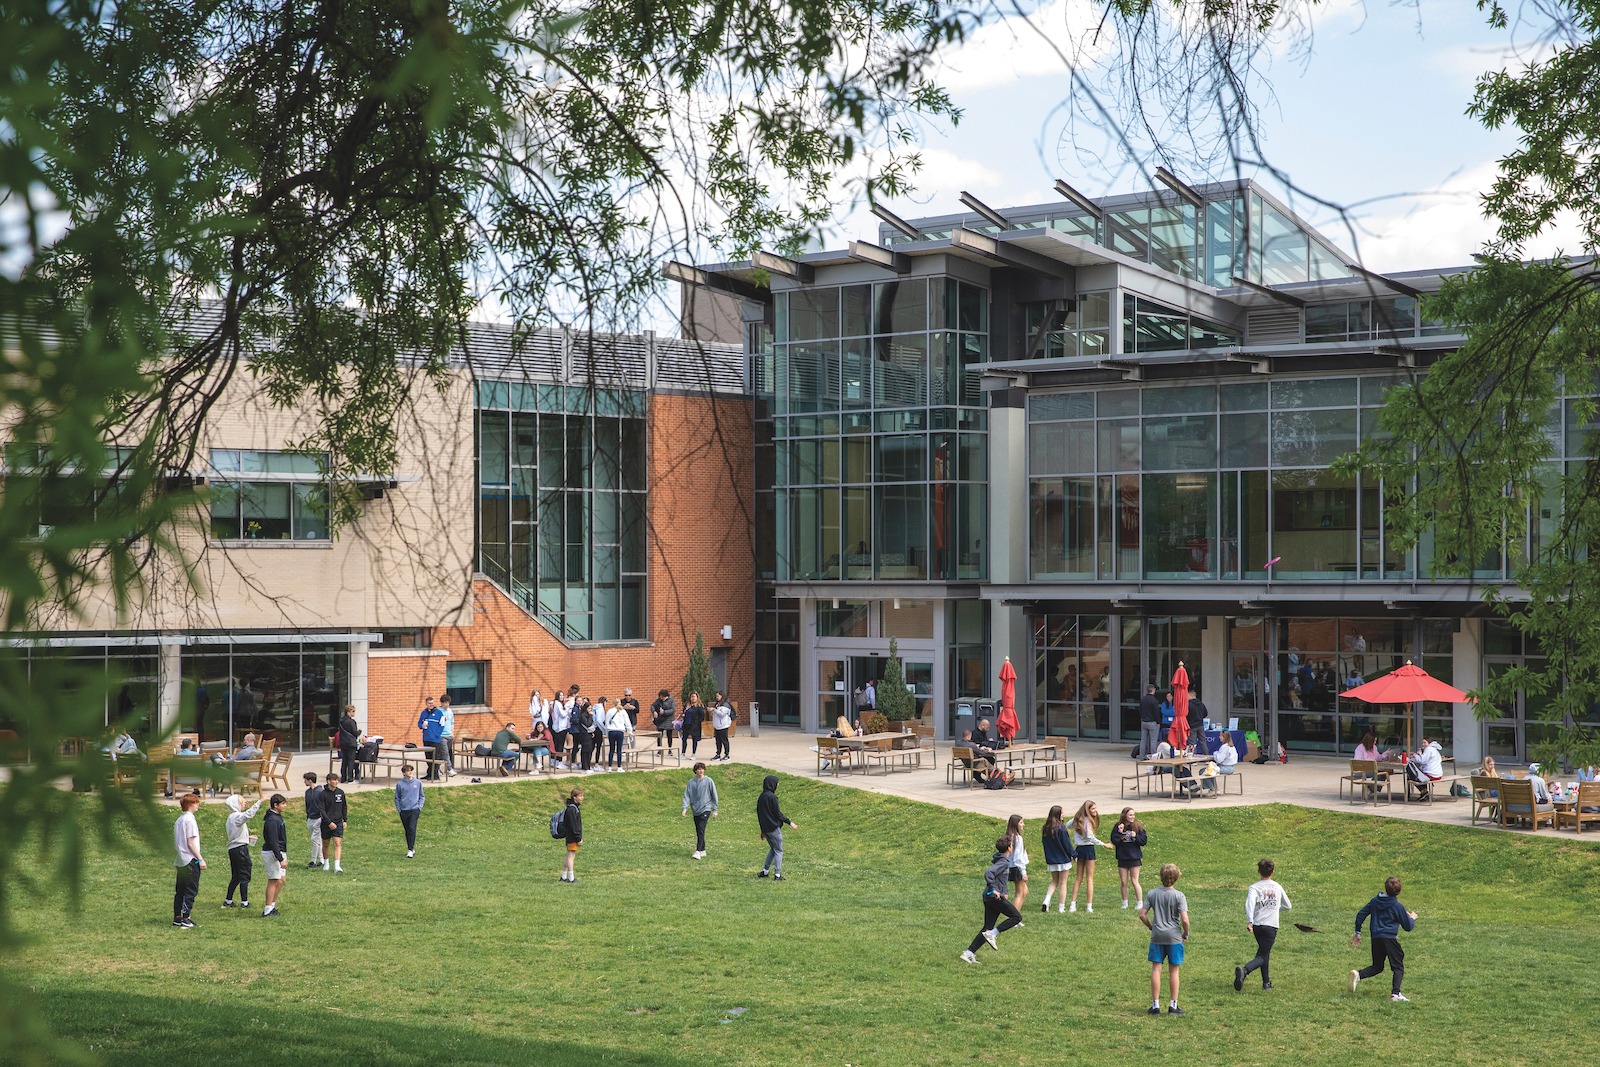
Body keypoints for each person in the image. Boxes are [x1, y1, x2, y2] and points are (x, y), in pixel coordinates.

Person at [1349, 875, 1418, 1002]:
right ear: (1399, 891)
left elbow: (1361, 914)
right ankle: (1395, 994)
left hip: (1376, 938)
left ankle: (1358, 975)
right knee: (1398, 967)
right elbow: (1408, 927)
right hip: (1390, 939)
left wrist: (1357, 932)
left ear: (1385, 888)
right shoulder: (1398, 906)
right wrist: (1412, 918)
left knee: (1377, 966)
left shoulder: (1375, 901)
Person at [959, 836, 1026, 964]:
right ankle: (993, 934)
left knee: (987, 927)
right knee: (1016, 917)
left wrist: (1004, 891)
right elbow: (989, 873)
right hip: (994, 897)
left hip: (989, 897)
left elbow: (1000, 878)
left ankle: (969, 953)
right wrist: (995, 889)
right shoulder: (1004, 862)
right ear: (1009, 848)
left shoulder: (1001, 860)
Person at [1139, 863, 1190, 1015]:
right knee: (1174, 971)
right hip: (1174, 937)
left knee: (1156, 969)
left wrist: (1151, 927)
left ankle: (1155, 1005)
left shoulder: (1152, 893)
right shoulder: (1179, 896)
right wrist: (1185, 933)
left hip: (1157, 936)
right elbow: (1185, 920)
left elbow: (1142, 914)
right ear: (1176, 878)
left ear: (1161, 877)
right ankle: (1173, 1006)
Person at [1236, 857, 1291, 992]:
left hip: (1257, 925)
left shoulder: (1254, 887)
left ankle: (1266, 982)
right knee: (1261, 956)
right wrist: (1275, 909)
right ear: (1273, 871)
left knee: (1264, 952)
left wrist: (1250, 921)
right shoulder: (1277, 887)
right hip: (1271, 926)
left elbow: (1250, 903)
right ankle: (1244, 971)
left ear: (1258, 871)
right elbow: (1288, 905)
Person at [222, 793, 264, 909]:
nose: (244, 804)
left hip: (233, 849)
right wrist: (259, 801)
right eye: (242, 802)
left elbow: (234, 834)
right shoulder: (237, 816)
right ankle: (244, 902)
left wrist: (247, 837)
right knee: (245, 875)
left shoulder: (230, 818)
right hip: (240, 850)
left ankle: (228, 900)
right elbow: (248, 815)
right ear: (236, 804)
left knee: (236, 876)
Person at [171, 792, 206, 928]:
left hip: (180, 859)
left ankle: (177, 917)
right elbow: (191, 842)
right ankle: (186, 918)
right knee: (191, 889)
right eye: (196, 803)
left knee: (180, 890)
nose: (198, 805)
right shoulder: (190, 820)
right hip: (190, 859)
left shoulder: (179, 820)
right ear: (191, 804)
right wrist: (200, 859)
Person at [1068, 800, 1109, 913]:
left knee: (1078, 878)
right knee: (1089, 878)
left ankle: (1073, 905)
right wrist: (1103, 844)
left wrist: (1077, 817)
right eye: (1093, 809)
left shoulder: (1079, 820)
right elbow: (1090, 837)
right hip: (1088, 849)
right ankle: (1089, 906)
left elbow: (1068, 825)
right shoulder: (1088, 821)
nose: (1095, 810)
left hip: (1079, 849)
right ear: (1087, 810)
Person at [756, 774, 795, 880]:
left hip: (766, 829)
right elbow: (778, 814)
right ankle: (777, 875)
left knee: (773, 849)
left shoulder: (761, 796)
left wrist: (762, 830)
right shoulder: (772, 797)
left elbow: (760, 815)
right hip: (773, 828)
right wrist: (789, 822)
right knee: (779, 850)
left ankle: (765, 871)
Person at [1111, 806, 1147, 909]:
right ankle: (1124, 903)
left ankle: (1139, 903)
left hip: (1134, 857)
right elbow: (1114, 840)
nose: (1132, 817)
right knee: (1123, 881)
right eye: (1130, 815)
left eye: (1133, 815)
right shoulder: (1118, 826)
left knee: (1134, 880)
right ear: (1124, 815)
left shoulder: (1137, 826)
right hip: (1122, 857)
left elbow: (1143, 841)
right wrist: (1120, 833)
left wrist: (1135, 836)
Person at [1039, 805, 1073, 914]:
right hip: (1063, 859)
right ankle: (1061, 908)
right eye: (1062, 813)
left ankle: (1046, 900)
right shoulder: (1061, 828)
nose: (1063, 815)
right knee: (1063, 883)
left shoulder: (1046, 829)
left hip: (1051, 860)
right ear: (1058, 814)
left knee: (1054, 881)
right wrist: (1074, 854)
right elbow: (1067, 844)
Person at [682, 761, 719, 858]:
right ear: (695, 771)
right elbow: (687, 795)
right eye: (699, 769)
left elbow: (714, 795)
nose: (701, 770)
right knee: (699, 830)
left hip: (705, 808)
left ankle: (698, 851)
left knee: (701, 829)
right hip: (695, 810)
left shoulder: (709, 781)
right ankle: (703, 850)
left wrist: (714, 810)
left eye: (702, 769)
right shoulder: (691, 782)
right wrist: (685, 808)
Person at [260, 793, 288, 917]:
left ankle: (272, 905)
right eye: (283, 804)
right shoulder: (272, 820)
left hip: (279, 851)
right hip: (272, 852)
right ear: (275, 805)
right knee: (273, 880)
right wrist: (280, 858)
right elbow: (272, 841)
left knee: (281, 880)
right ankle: (267, 908)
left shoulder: (277, 817)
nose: (285, 806)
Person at [320, 771, 348, 873]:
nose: (336, 782)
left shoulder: (340, 793)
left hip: (338, 822)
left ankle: (337, 865)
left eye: (337, 780)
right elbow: (322, 810)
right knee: (326, 844)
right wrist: (328, 822)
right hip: (326, 823)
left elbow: (344, 807)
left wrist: (345, 820)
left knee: (337, 843)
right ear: (328, 781)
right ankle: (326, 862)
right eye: (334, 780)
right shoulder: (322, 794)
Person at [395, 763, 424, 858]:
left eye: (411, 770)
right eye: (407, 771)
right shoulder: (400, 784)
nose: (410, 772)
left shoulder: (418, 783)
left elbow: (422, 796)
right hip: (404, 810)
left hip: (414, 809)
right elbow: (397, 798)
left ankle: (410, 850)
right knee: (407, 830)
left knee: (412, 828)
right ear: (404, 773)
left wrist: (419, 807)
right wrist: (399, 809)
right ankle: (410, 846)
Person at [1003, 813, 1030, 911]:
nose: (1023, 825)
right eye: (1021, 822)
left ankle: (1016, 916)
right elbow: (1018, 858)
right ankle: (1014, 917)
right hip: (1017, 868)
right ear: (1016, 824)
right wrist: (1023, 872)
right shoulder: (1018, 838)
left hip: (1011, 867)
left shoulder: (1010, 836)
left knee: (1025, 891)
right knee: (1019, 893)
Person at [558, 787, 583, 882]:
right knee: (571, 856)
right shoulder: (572, 809)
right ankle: (571, 877)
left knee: (569, 855)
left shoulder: (573, 807)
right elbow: (574, 826)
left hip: (571, 836)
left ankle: (564, 876)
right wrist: (578, 838)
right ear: (574, 797)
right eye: (580, 796)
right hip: (572, 836)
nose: (582, 798)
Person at [417, 697, 444, 780]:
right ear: (426, 704)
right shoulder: (423, 713)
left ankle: (435, 775)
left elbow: (442, 725)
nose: (431, 705)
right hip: (426, 738)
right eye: (429, 703)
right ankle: (429, 773)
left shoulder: (439, 713)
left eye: (432, 703)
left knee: (435, 757)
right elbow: (419, 724)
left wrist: (437, 734)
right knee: (428, 757)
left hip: (435, 740)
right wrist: (422, 726)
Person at [302, 772, 324, 869]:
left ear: (310, 780)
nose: (304, 782)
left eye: (305, 780)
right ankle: (322, 860)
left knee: (314, 839)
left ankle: (313, 860)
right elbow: (307, 805)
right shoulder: (307, 792)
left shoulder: (320, 792)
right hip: (310, 818)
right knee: (317, 840)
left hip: (318, 818)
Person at [605, 699, 632, 769]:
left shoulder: (610, 711)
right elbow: (627, 722)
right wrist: (630, 732)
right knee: (619, 750)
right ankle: (619, 767)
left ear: (613, 703)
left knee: (611, 749)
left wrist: (606, 733)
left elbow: (607, 723)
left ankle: (610, 767)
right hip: (620, 731)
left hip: (611, 731)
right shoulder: (623, 711)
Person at [337, 706, 361, 782]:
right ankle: (350, 777)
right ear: (348, 712)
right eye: (353, 711)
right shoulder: (351, 722)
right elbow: (354, 732)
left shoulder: (341, 721)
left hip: (343, 743)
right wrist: (359, 732)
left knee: (345, 761)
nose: (354, 713)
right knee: (351, 761)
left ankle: (343, 777)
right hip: (351, 743)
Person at [1138, 684, 1162, 760]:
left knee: (1143, 740)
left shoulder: (1143, 699)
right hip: (1152, 722)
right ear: (1152, 690)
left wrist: (1143, 717)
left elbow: (1140, 710)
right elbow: (1156, 712)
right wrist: (1158, 722)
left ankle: (1142, 756)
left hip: (1144, 721)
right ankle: (1153, 757)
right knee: (1153, 741)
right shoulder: (1154, 700)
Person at [681, 690, 706, 759]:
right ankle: (683, 753)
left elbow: (702, 716)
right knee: (684, 739)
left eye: (694, 697)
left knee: (694, 740)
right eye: (692, 697)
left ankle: (693, 754)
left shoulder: (699, 706)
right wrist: (683, 715)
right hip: (686, 724)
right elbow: (684, 712)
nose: (693, 698)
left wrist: (697, 722)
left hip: (695, 725)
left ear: (697, 697)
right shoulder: (687, 705)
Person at [550, 692, 571, 769]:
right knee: (560, 745)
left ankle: (553, 761)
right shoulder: (558, 704)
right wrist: (567, 708)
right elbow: (563, 714)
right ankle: (558, 762)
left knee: (556, 745)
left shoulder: (555, 704)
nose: (562, 697)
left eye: (563, 695)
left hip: (557, 727)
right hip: (560, 727)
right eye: (560, 695)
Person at [710, 693, 733, 762]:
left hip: (723, 726)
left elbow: (722, 714)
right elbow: (715, 714)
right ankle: (718, 754)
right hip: (717, 726)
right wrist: (712, 711)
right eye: (716, 696)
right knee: (718, 741)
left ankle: (726, 755)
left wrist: (714, 710)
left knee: (724, 741)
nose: (716, 697)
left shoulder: (726, 704)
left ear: (722, 696)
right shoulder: (717, 704)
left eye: (718, 696)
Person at [437, 695, 457, 776]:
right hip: (442, 735)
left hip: (449, 735)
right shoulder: (438, 711)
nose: (447, 704)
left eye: (448, 703)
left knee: (445, 753)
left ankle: (436, 768)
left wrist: (452, 732)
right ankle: (449, 769)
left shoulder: (450, 711)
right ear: (441, 703)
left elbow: (452, 723)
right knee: (445, 753)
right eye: (445, 703)